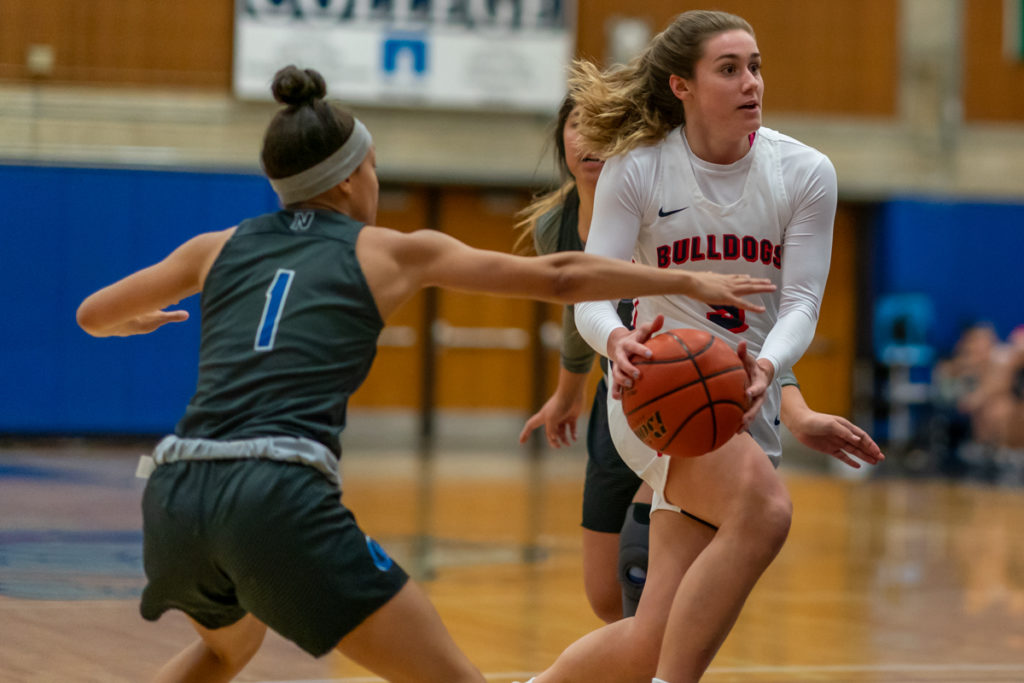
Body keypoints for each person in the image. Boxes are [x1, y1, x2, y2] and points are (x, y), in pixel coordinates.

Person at [75, 65, 777, 683]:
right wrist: (685, 277)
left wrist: (130, 321)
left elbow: (92, 313)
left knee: (225, 652)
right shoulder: (389, 251)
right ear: (351, 176)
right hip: (275, 492)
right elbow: (562, 275)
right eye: (374, 167)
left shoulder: (214, 246)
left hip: (175, 488)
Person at [515, 10, 875, 683]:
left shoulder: (804, 172)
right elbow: (590, 292)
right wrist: (618, 337)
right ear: (681, 85)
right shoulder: (640, 170)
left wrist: (769, 368)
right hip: (655, 392)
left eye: (756, 66)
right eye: (730, 69)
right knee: (765, 510)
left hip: (741, 404)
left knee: (650, 636)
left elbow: (799, 302)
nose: (752, 83)